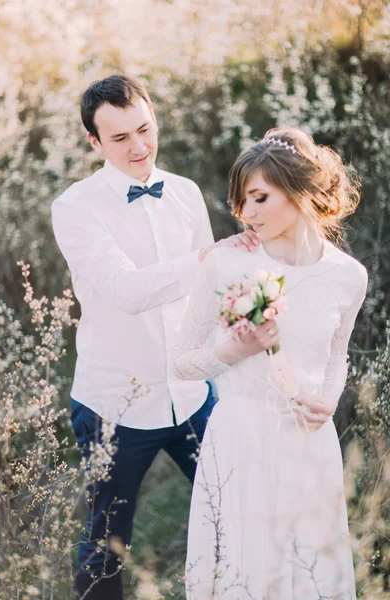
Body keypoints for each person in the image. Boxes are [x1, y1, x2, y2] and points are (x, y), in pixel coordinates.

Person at [51, 74, 261, 599]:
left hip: (193, 394)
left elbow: (209, 296)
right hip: (116, 404)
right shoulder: (75, 208)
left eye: (145, 129)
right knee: (106, 541)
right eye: (120, 138)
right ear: (93, 143)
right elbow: (125, 290)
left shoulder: (185, 192)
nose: (139, 147)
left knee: (240, 508)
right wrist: (207, 259)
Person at [174, 128, 367, 599]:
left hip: (308, 442)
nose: (246, 213)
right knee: (244, 566)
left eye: (259, 198)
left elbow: (336, 354)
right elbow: (181, 362)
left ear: (299, 189)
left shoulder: (348, 276)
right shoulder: (226, 266)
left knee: (306, 569)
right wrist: (234, 352)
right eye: (242, 201)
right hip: (240, 436)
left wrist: (327, 400)